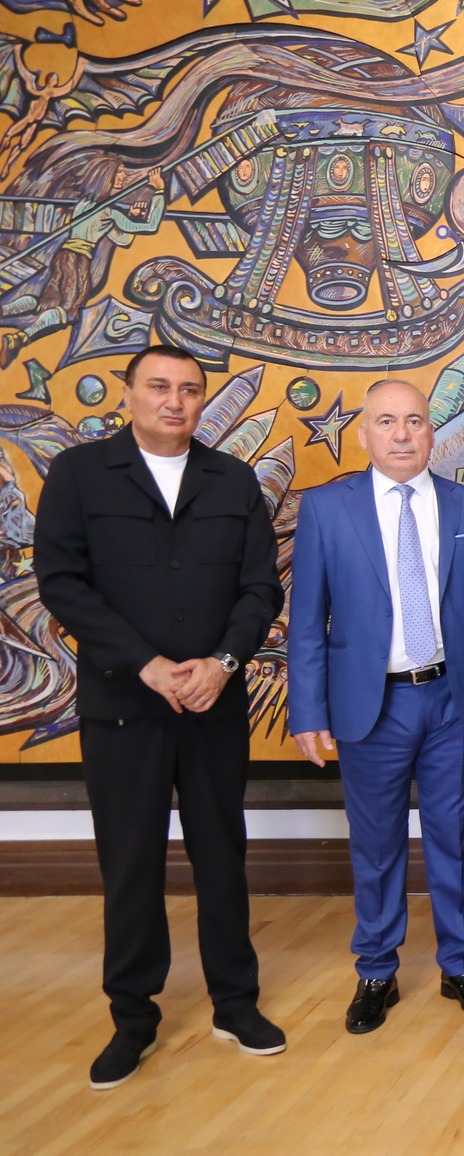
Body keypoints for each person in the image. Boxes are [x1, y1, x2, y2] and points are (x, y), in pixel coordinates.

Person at [33, 344, 285, 1089]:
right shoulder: (79, 475)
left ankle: (235, 1003)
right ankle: (132, 1019)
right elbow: (61, 582)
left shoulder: (232, 480)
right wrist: (144, 663)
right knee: (130, 863)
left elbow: (260, 588)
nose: (175, 401)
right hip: (123, 704)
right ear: (128, 394)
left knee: (222, 858)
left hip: (214, 702)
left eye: (190, 389)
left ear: (202, 400)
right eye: (159, 387)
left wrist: (223, 663)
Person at [286, 379, 464, 1034]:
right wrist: (308, 711)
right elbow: (307, 622)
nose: (403, 433)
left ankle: (459, 963)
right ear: (364, 434)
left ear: (431, 432)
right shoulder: (327, 508)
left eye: (414, 420)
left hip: (451, 697)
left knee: (453, 835)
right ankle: (377, 970)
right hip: (371, 703)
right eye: (387, 421)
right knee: (377, 843)